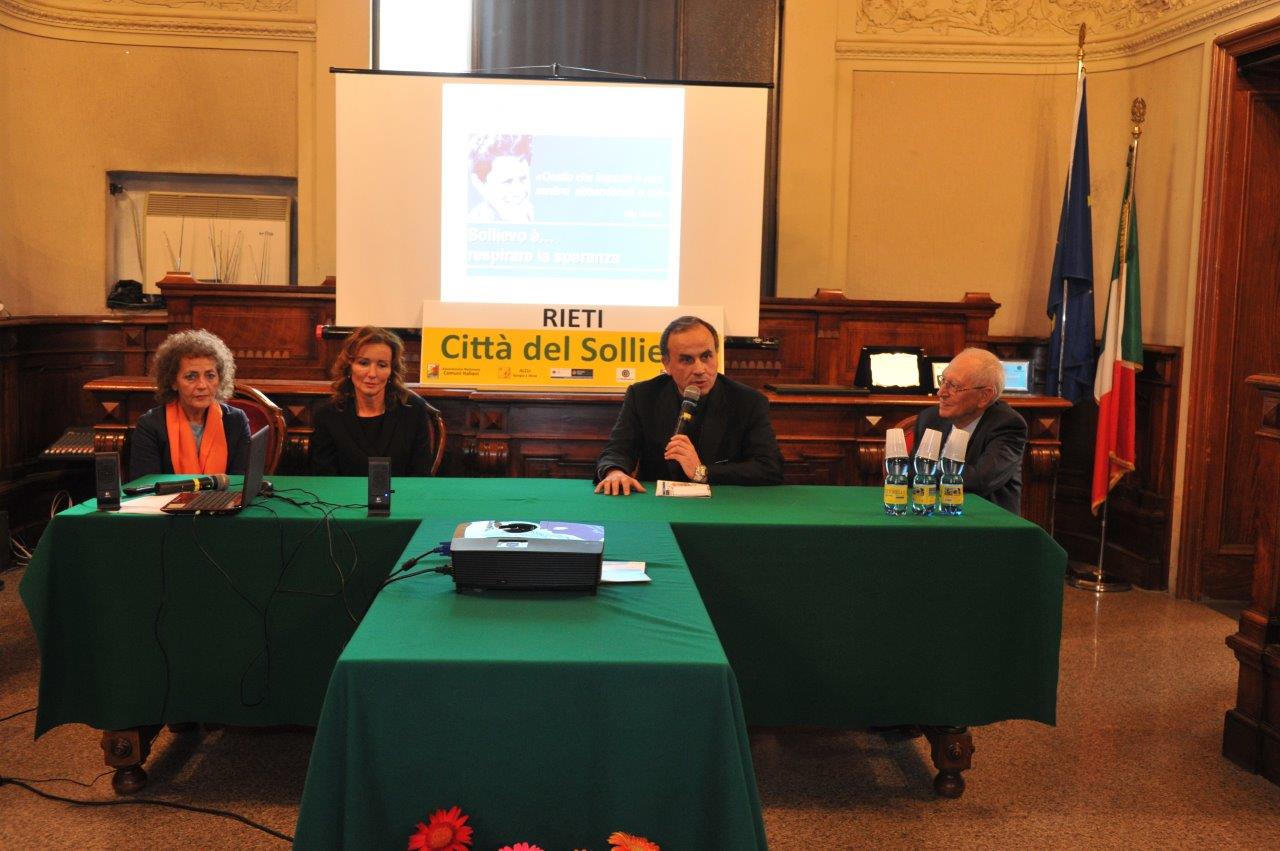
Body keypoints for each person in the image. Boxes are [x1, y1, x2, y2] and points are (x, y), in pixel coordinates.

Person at [595, 315, 784, 495]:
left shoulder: (748, 401)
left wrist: (702, 472)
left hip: (722, 505)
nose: (700, 369)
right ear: (666, 364)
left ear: (717, 356)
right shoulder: (643, 396)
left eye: (706, 356)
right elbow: (618, 450)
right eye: (687, 360)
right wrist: (614, 472)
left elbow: (770, 467)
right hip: (659, 505)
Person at [310, 326, 436, 477]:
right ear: (349, 367)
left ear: (392, 371)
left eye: (382, 365)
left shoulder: (413, 410)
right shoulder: (327, 416)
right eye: (364, 363)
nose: (372, 374)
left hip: (401, 493)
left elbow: (421, 476)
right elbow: (324, 479)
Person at [914, 347, 1027, 514]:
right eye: (943, 381)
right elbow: (910, 473)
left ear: (985, 396)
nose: (941, 392)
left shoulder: (1007, 425)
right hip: (930, 514)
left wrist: (925, 472)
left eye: (954, 386)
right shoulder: (930, 418)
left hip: (985, 521)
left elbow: (979, 481)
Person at [129, 329, 252, 480]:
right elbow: (144, 485)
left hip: (227, 496)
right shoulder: (150, 425)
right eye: (191, 377)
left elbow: (242, 482)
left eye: (210, 376)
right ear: (173, 382)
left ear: (219, 379)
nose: (202, 385)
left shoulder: (236, 421)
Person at [467, 133, 534, 223]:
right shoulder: (474, 223)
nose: (518, 191)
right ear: (479, 183)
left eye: (523, 179)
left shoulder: (535, 213)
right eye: (507, 182)